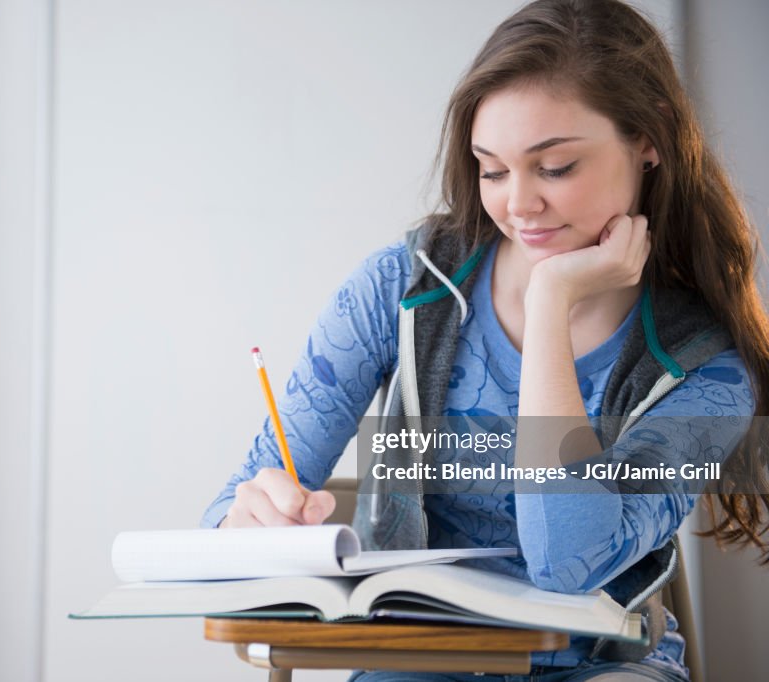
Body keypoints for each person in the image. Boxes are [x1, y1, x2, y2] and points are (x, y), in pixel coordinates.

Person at [201, 0, 769, 680]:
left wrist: (551, 300)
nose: (518, 205)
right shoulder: (406, 289)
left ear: (649, 141)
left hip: (602, 666)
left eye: (554, 167)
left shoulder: (704, 367)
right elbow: (225, 514)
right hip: (415, 660)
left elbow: (565, 563)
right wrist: (248, 526)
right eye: (492, 170)